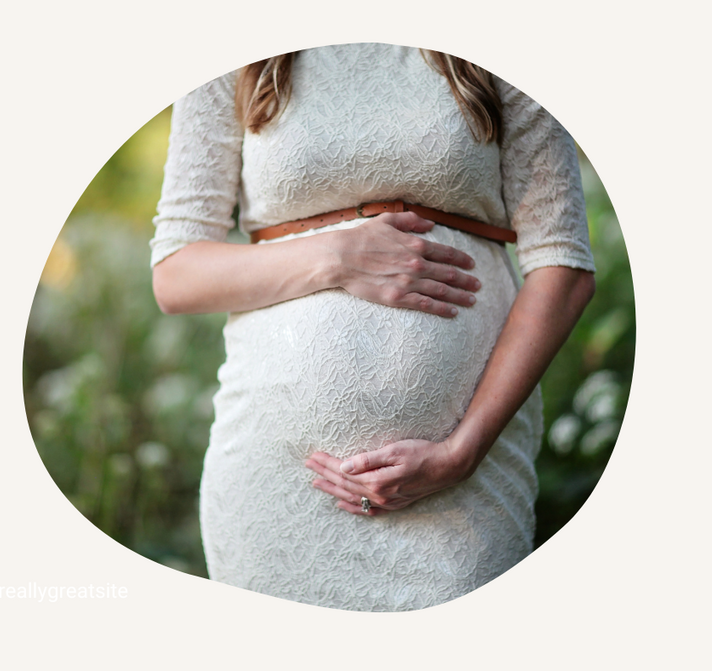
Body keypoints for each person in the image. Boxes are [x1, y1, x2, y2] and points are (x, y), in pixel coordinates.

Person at [150, 43, 596, 611]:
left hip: (466, 485)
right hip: (276, 485)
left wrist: (462, 452)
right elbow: (176, 274)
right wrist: (337, 256)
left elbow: (564, 264)